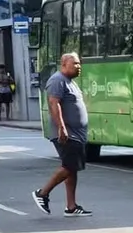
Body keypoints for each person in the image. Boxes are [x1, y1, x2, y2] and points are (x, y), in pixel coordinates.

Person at [31, 53, 92, 217]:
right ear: (64, 64)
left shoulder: (70, 82)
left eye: (79, 64)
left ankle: (71, 207)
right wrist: (62, 128)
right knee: (69, 166)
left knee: (72, 168)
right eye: (75, 64)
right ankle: (42, 193)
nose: (79, 67)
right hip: (67, 134)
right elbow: (54, 103)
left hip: (76, 134)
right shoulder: (57, 80)